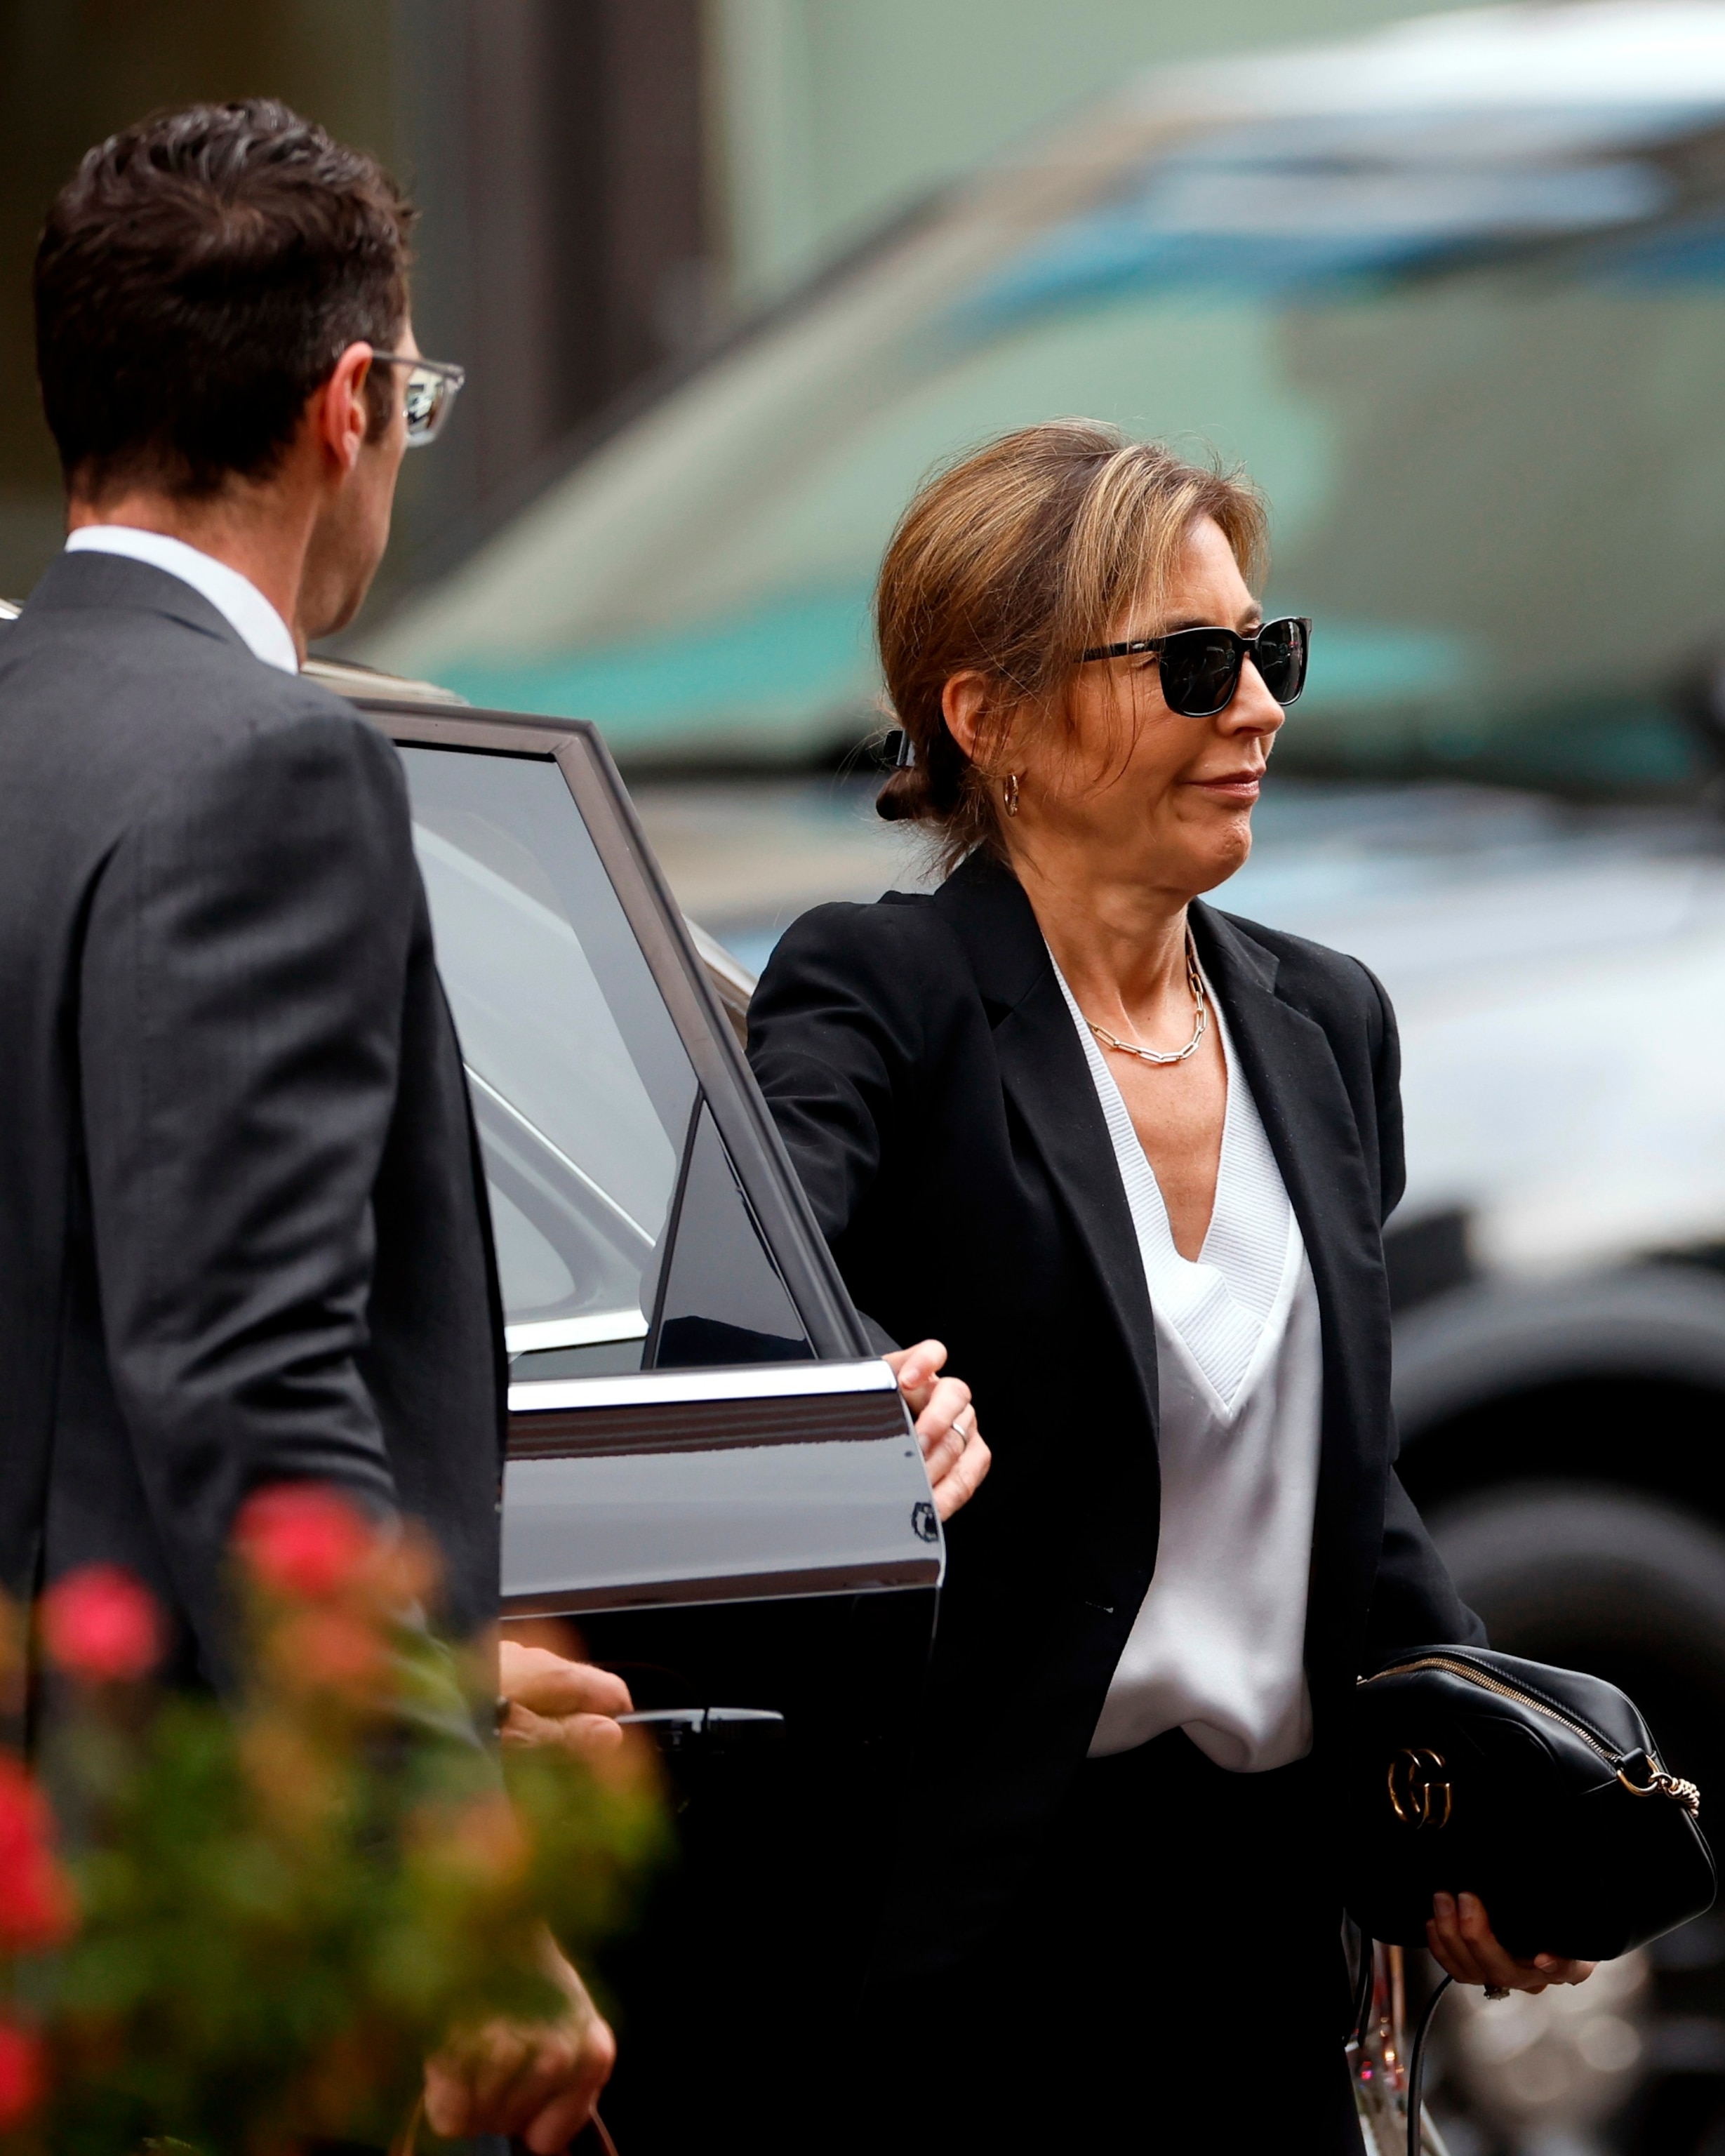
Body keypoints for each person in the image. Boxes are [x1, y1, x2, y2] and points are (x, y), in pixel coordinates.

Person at [745, 422, 1592, 2150]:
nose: (1258, 709)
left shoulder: (1323, 1019)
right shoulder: (879, 993)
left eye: (1265, 653)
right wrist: (851, 1406)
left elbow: (1340, 1501)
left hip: (1268, 1931)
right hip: (981, 1937)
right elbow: (744, 1318)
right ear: (986, 719)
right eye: (1193, 665)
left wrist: (1487, 1793)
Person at [0, 100, 608, 2148]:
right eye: (413, 396)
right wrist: (440, 1846)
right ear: (349, 404)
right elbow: (249, 1378)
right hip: (182, 1911)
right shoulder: (271, 766)